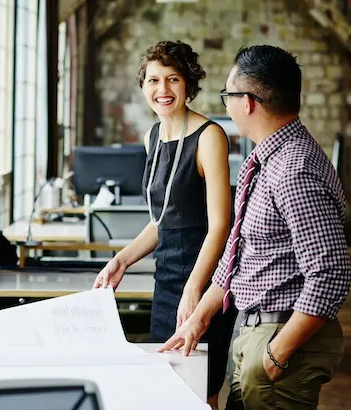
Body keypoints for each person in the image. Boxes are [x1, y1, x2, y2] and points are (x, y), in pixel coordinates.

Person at [157, 45, 351, 409]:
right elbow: (239, 254)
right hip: (254, 330)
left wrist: (276, 354)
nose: (226, 105)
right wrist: (198, 318)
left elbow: (330, 274)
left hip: (280, 338)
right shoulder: (266, 159)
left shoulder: (295, 169)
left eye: (227, 95)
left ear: (247, 102)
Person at [92, 40, 236, 409]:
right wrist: (121, 260)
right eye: (154, 81)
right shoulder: (152, 137)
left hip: (205, 283)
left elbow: (221, 225)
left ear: (188, 84)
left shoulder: (209, 137)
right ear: (143, 87)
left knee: (201, 392)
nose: (163, 90)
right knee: (168, 388)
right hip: (166, 283)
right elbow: (162, 221)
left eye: (173, 79)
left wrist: (195, 289)